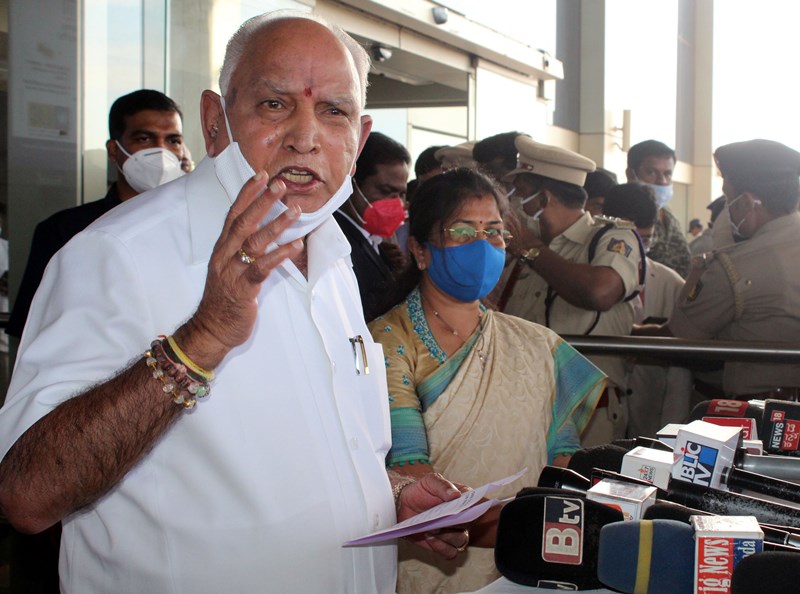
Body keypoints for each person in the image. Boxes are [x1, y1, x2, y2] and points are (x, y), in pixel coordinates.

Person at [0, 12, 469, 593]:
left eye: (334, 111)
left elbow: (297, 456)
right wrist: (202, 339)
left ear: (360, 135)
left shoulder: (330, 247)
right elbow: (28, 494)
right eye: (274, 105)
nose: (305, 136)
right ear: (214, 120)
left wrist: (388, 495)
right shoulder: (116, 253)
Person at [369, 168, 605, 593]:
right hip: (431, 564)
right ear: (420, 250)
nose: (482, 245)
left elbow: (564, 466)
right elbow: (410, 475)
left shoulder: (539, 345)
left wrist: (557, 532)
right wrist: (532, 529)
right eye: (462, 231)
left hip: (533, 568)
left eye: (494, 232)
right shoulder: (387, 341)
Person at [497, 135, 643, 445]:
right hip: (521, 402)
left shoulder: (607, 238)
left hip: (586, 411)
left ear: (542, 199)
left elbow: (599, 292)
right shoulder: (522, 246)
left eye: (519, 193)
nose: (511, 203)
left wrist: (532, 248)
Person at [6, 89, 187, 339]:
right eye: (144, 139)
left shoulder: (192, 227)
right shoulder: (66, 232)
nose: (161, 152)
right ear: (114, 150)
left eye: (173, 141)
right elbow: (31, 330)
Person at [665, 139, 800, 399]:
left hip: (761, 414)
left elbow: (682, 335)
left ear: (748, 203)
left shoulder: (737, 265)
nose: (728, 208)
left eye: (729, 198)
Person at [602, 183, 691, 436]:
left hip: (650, 419)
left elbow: (679, 376)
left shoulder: (670, 283)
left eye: (646, 240)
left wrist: (672, 432)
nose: (637, 251)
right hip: (598, 417)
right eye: (628, 241)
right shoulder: (586, 282)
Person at [335, 131, 410, 321]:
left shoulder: (376, 243)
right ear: (352, 184)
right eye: (386, 191)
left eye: (401, 194)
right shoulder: (337, 240)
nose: (397, 204)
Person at [625, 139, 692, 278]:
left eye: (667, 174)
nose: (662, 181)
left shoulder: (668, 216)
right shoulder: (621, 216)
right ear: (631, 175)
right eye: (651, 172)